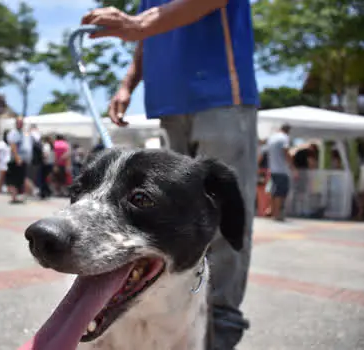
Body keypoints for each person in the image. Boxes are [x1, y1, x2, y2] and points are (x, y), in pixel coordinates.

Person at [81, 1, 259, 349]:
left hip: (222, 92)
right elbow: (150, 38)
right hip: (170, 100)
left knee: (225, 215)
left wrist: (137, 23)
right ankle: (171, 313)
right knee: (172, 219)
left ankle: (222, 318)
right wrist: (128, 84)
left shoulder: (145, 15)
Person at [266, 124, 295, 221]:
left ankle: (274, 212)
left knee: (274, 191)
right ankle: (277, 214)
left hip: (273, 169)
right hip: (282, 170)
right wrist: (292, 166)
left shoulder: (272, 138)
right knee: (281, 192)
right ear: (288, 130)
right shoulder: (284, 138)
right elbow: (286, 151)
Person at [6, 117, 30, 204]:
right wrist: (17, 158)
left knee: (19, 179)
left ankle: (17, 197)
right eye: (19, 123)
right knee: (13, 179)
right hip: (15, 160)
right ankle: (14, 197)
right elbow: (13, 145)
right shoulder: (14, 133)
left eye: (22, 123)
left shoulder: (21, 133)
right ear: (16, 123)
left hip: (21, 159)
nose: (21, 124)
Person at [0, 129, 10, 194]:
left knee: (8, 177)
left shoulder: (9, 144)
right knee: (1, 176)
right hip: (2, 162)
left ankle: (9, 189)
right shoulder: (1, 143)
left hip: (8, 162)